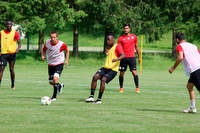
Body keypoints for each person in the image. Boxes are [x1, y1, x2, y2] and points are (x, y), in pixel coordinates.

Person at [85, 34, 124, 104]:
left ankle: (99, 99)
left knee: (103, 80)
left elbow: (123, 55)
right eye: (107, 40)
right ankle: (91, 97)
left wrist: (117, 59)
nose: (107, 41)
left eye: (109, 40)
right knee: (95, 77)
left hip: (113, 70)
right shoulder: (110, 48)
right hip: (105, 68)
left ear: (113, 40)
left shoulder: (117, 46)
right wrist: (108, 53)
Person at [169, 32, 200, 113]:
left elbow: (180, 57)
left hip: (195, 70)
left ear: (177, 40)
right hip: (196, 70)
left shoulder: (179, 46)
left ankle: (193, 107)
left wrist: (173, 68)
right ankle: (192, 107)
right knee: (189, 87)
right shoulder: (193, 45)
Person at [41, 30, 69, 102]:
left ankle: (54, 96)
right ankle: (59, 86)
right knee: (51, 82)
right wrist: (42, 55)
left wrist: (66, 60)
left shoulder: (61, 44)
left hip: (59, 63)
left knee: (55, 78)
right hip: (50, 64)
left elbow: (67, 51)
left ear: (57, 37)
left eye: (54, 37)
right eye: (51, 37)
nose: (53, 39)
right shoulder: (47, 42)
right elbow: (44, 49)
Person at [118, 24, 141, 93]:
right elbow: (118, 49)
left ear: (129, 29)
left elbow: (136, 47)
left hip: (132, 57)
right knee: (122, 73)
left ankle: (137, 88)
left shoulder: (134, 37)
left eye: (127, 28)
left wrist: (139, 57)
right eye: (124, 28)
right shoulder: (120, 38)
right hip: (123, 58)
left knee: (134, 72)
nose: (126, 29)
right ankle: (121, 88)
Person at [0, 20, 21, 90]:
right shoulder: (1, 33)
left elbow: (19, 43)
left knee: (11, 69)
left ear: (12, 25)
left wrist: (17, 49)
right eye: (7, 24)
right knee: (1, 69)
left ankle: (12, 85)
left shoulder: (15, 33)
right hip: (3, 54)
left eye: (10, 24)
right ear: (6, 25)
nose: (9, 25)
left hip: (12, 54)